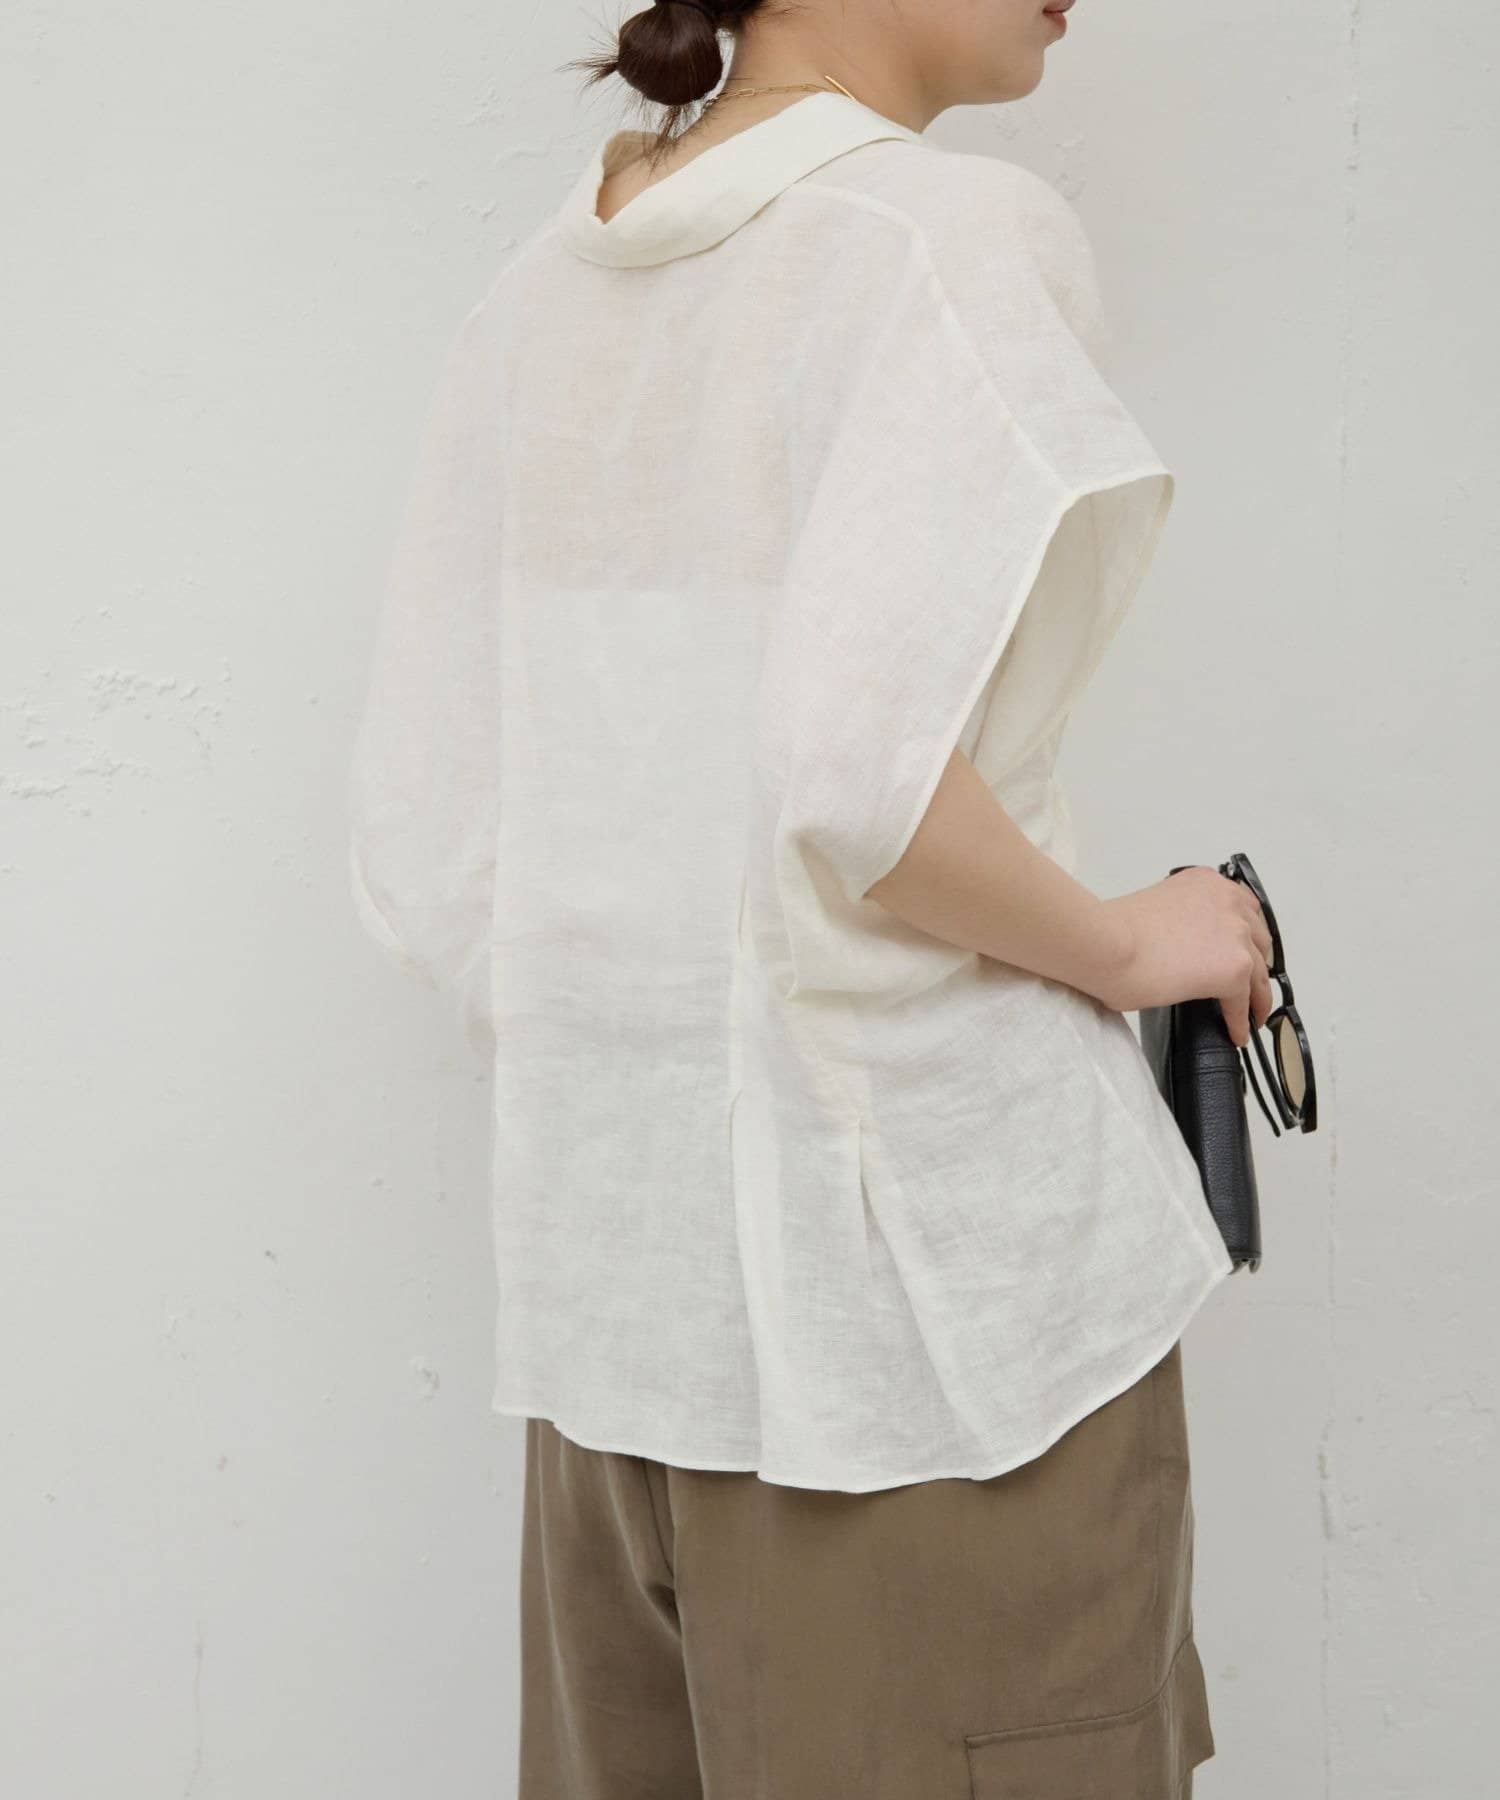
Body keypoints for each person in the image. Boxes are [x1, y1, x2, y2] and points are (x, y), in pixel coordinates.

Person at [347, 1, 1275, 1792]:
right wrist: (1122, 944)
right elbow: (859, 781)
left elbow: (431, 847)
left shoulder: (542, 294)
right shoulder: (944, 237)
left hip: (617, 1360)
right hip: (929, 1372)